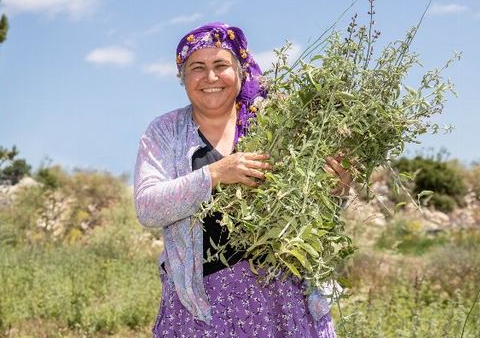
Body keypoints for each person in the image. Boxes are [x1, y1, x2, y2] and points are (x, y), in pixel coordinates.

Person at [134, 22, 351, 337]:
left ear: (240, 70)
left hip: (285, 300)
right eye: (197, 67)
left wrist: (337, 187)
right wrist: (216, 174)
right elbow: (148, 207)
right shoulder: (165, 132)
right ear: (182, 78)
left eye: (221, 65)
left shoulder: (278, 120)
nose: (210, 77)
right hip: (201, 308)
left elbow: (315, 210)